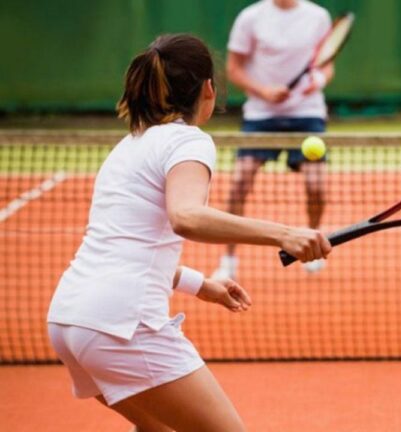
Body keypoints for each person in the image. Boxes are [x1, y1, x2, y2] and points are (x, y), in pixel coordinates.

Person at [46, 34, 331, 432]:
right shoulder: (188, 141)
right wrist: (284, 233)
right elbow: (186, 216)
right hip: (121, 325)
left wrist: (201, 285)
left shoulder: (130, 145)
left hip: (70, 321)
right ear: (208, 90)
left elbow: (128, 246)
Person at [211, 0, 335, 278]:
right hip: (261, 115)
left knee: (316, 187)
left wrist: (319, 82)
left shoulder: (318, 16)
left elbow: (326, 67)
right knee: (239, 184)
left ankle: (313, 244)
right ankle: (228, 261)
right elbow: (233, 69)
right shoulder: (250, 17)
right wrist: (263, 91)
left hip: (307, 113)